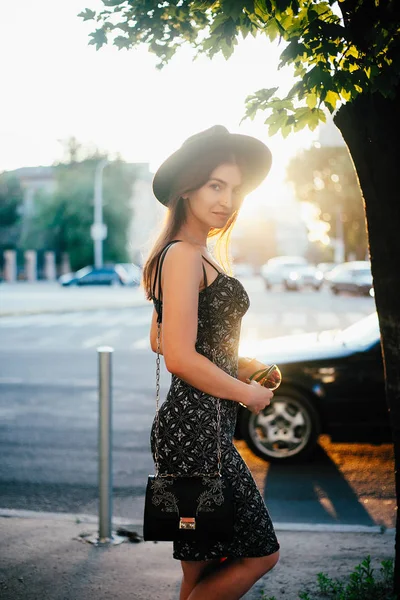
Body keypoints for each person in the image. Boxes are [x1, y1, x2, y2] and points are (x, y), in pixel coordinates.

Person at [142, 125, 280, 600]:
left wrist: (240, 364)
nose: (227, 199)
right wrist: (247, 392)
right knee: (261, 555)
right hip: (195, 431)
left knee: (200, 573)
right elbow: (178, 356)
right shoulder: (183, 255)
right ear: (188, 189)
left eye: (235, 189)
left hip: (203, 427)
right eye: (215, 185)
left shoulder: (194, 254)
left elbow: (163, 340)